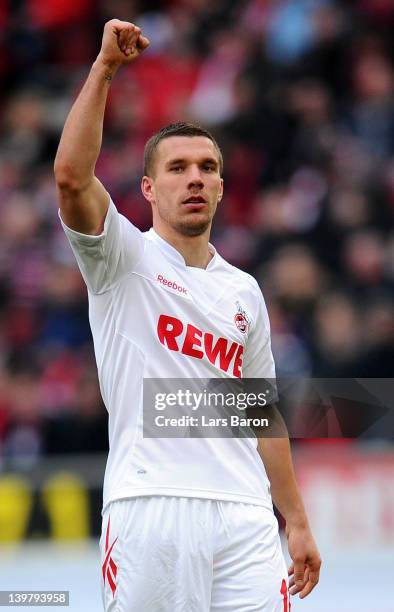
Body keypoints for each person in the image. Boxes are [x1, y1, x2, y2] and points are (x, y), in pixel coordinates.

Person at [54, 19, 321, 612]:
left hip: (246, 518)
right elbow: (71, 177)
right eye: (177, 168)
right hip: (151, 510)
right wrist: (103, 71)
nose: (194, 177)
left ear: (223, 186)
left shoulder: (243, 291)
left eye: (206, 167)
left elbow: (261, 414)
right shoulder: (122, 257)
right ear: (147, 188)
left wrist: (295, 520)